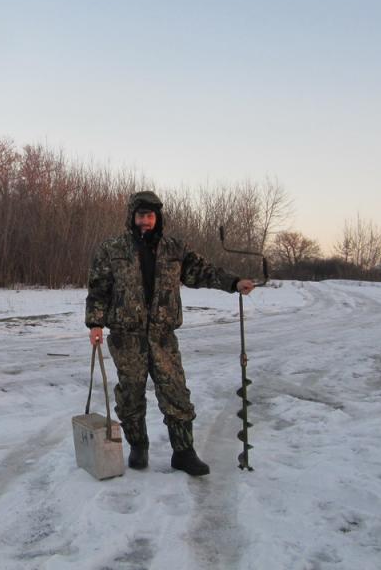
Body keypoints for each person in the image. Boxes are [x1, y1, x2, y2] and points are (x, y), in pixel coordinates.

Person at [85, 191, 255, 476]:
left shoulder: (175, 249)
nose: (146, 222)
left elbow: (203, 271)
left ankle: (184, 452)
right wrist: (95, 324)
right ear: (132, 216)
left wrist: (234, 282)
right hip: (127, 337)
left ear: (158, 218)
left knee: (175, 392)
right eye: (141, 216)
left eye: (151, 216)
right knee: (130, 396)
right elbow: (99, 289)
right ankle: (138, 447)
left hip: (163, 336)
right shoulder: (112, 249)